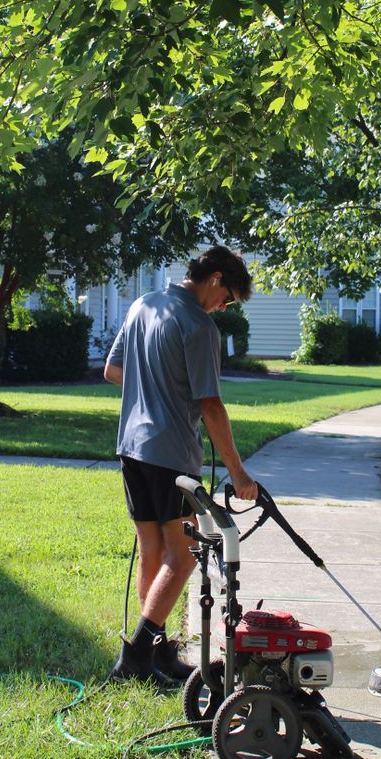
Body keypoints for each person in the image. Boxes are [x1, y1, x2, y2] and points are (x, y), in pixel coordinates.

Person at [104, 245, 258, 684]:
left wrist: (152, 387)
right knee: (185, 554)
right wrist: (239, 474)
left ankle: (159, 653)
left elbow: (114, 370)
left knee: (154, 549)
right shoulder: (199, 325)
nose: (223, 306)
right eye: (227, 296)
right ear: (215, 279)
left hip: (132, 446)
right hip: (170, 454)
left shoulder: (143, 304)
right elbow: (210, 406)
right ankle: (134, 658)